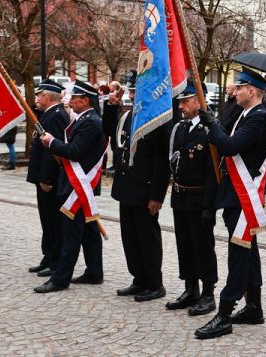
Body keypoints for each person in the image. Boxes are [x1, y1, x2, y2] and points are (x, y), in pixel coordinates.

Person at [193, 68, 266, 339]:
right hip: (235, 194)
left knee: (239, 253)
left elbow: (230, 146)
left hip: (243, 197)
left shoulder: (258, 118)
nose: (234, 91)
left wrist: (212, 125)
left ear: (251, 91)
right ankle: (254, 306)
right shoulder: (245, 114)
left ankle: (224, 313)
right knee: (249, 252)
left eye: (239, 87)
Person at [34, 80, 107, 293]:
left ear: (85, 100)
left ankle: (60, 279)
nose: (70, 101)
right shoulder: (85, 119)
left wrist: (52, 142)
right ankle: (95, 271)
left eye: (74, 98)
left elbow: (75, 151)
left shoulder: (90, 122)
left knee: (71, 234)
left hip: (79, 183)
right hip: (78, 182)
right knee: (90, 230)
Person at [106, 80, 171, 302]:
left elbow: (162, 162)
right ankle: (139, 278)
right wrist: (111, 106)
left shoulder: (155, 119)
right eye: (132, 92)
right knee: (130, 238)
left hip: (145, 191)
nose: (133, 97)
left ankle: (154, 283)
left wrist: (156, 196)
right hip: (126, 187)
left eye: (137, 92)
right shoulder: (127, 116)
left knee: (147, 238)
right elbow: (109, 135)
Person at [167, 80, 219, 316]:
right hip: (181, 195)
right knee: (184, 244)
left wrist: (210, 205)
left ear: (199, 101)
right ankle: (191, 288)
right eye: (180, 102)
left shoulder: (209, 130)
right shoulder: (181, 128)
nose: (181, 107)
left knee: (203, 246)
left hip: (200, 198)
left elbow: (213, 171)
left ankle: (208, 293)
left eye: (185, 101)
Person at [26, 79, 70, 277]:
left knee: (53, 220)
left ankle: (56, 260)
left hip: (49, 179)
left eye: (38, 95)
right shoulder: (48, 114)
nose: (36, 99)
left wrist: (46, 178)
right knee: (46, 219)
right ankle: (48, 255)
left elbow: (54, 151)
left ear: (45, 96)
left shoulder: (57, 115)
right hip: (41, 176)